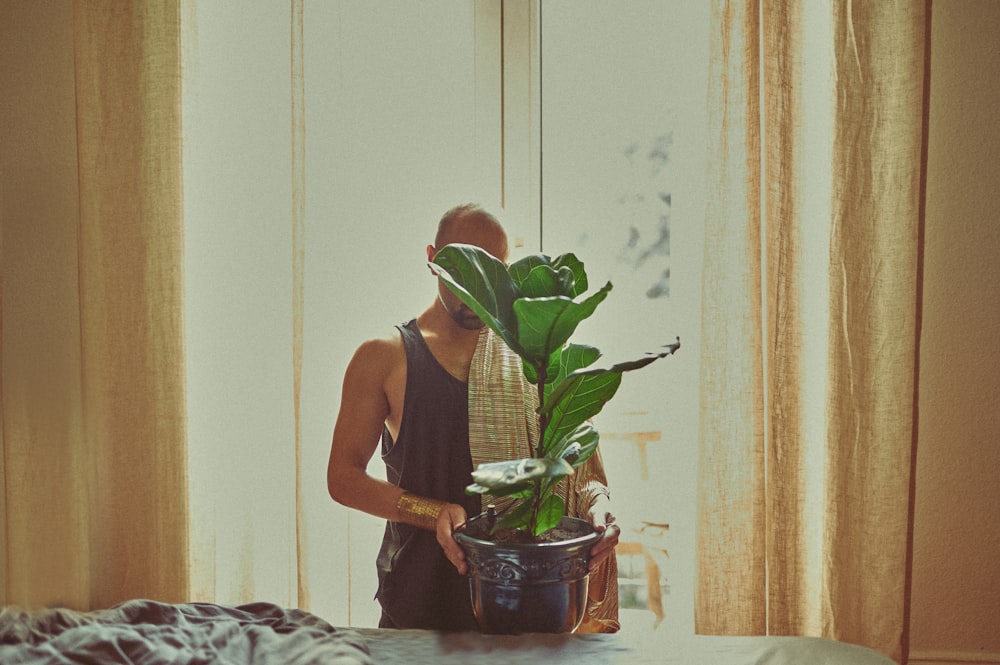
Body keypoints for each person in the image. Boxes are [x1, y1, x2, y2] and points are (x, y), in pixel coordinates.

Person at [327, 204, 620, 632]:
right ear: (432, 258)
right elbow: (342, 477)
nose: (477, 284)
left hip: (529, 597)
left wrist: (600, 507)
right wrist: (432, 512)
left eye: (493, 270)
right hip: (420, 602)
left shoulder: (534, 354)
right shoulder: (384, 357)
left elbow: (579, 463)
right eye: (462, 263)